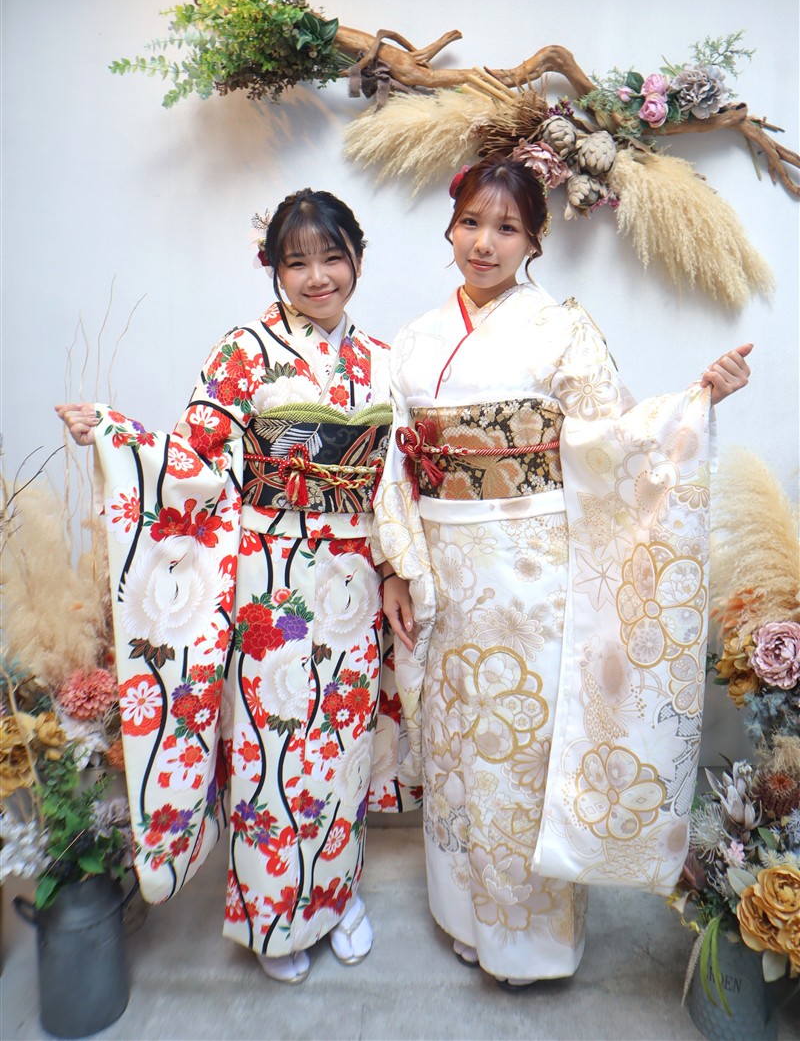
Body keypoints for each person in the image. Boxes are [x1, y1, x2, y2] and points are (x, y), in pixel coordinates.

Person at [373, 156, 752, 986]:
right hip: (443, 570)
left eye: (507, 228)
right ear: (450, 228)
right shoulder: (413, 341)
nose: (485, 242)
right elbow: (392, 465)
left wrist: (697, 402)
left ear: (535, 241)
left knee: (523, 749)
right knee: (457, 745)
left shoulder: (561, 330)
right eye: (471, 223)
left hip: (532, 573)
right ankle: (463, 915)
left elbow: (614, 441)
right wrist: (397, 567)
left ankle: (531, 944)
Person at [57, 189, 418, 984]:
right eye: (297, 262)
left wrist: (394, 567)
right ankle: (274, 917)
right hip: (273, 576)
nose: (318, 277)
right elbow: (193, 460)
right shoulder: (244, 351)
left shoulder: (384, 360)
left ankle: (337, 896)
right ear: (274, 270)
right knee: (272, 743)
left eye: (332, 257)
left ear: (358, 257)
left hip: (355, 578)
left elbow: (396, 480)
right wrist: (116, 435)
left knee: (344, 743)